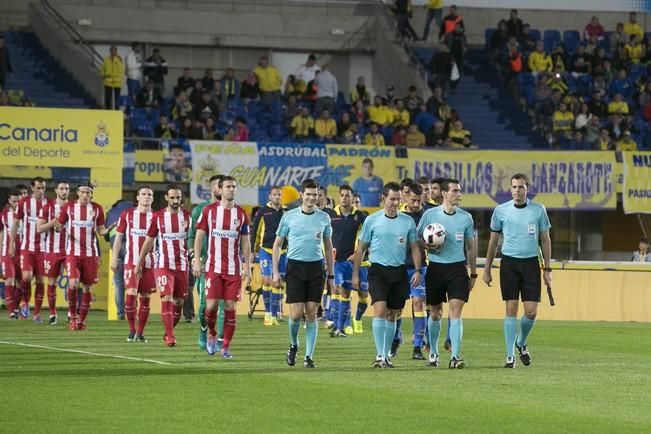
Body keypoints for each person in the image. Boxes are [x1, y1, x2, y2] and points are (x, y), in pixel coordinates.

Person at [483, 173, 552, 368]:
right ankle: (509, 356)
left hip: (531, 264)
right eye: (513, 187)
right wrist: (486, 269)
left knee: (531, 312)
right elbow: (493, 242)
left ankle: (520, 342)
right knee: (511, 308)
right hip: (509, 264)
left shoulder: (538, 210)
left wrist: (547, 269)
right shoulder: (501, 210)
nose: (516, 190)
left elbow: (545, 240)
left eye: (520, 187)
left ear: (527, 188)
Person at [352, 182, 421, 368]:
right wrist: (356, 274)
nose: (395, 203)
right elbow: (361, 249)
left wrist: (417, 270)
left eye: (398, 199)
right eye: (392, 199)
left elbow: (415, 248)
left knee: (393, 314)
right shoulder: (372, 220)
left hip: (398, 271)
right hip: (378, 271)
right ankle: (380, 355)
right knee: (380, 310)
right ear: (383, 199)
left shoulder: (407, 222)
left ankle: (387, 355)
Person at [272, 179, 334, 369]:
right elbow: (277, 244)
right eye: (308, 194)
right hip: (295, 268)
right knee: (296, 315)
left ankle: (308, 356)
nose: (311, 198)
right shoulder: (289, 216)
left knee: (312, 313)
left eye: (314, 194)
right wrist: (275, 272)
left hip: (316, 268)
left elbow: (329, 246)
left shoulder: (324, 217)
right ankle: (294, 344)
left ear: (318, 196)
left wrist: (330, 275)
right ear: (301, 195)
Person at [417, 179, 477, 369]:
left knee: (455, 312)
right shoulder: (429, 215)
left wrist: (473, 273)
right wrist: (428, 246)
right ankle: (433, 353)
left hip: (458, 268)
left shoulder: (466, 218)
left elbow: (471, 246)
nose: (459, 194)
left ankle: (455, 356)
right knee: (435, 313)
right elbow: (417, 239)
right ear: (444, 194)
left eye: (459, 191)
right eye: (454, 191)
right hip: (435, 268)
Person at [193, 176, 252, 359]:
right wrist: (196, 259)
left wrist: (247, 266)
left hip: (233, 269)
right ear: (220, 189)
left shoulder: (241, 214)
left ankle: (225, 346)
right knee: (210, 307)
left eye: (234, 186)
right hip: (213, 267)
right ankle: (212, 333)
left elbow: (246, 244)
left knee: (230, 307)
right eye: (228, 186)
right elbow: (199, 237)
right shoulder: (209, 211)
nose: (232, 190)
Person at [136, 184, 191, 347]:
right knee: (166, 297)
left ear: (182, 199)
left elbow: (194, 238)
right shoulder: (159, 217)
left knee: (179, 303)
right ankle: (171, 336)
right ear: (166, 198)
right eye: (172, 197)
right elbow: (149, 240)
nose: (175, 200)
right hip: (163, 265)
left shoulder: (188, 217)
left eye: (178, 198)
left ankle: (168, 331)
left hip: (182, 265)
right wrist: (139, 261)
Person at [55, 183, 111, 330]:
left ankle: (82, 320)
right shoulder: (68, 207)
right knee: (73, 283)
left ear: (91, 194)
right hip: (73, 253)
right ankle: (73, 317)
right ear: (78, 193)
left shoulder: (97, 209)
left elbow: (101, 231)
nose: (85, 195)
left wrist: (109, 230)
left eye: (88, 192)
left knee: (87, 287)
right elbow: (59, 226)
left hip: (90, 254)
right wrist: (57, 227)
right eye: (83, 192)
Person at [110, 186, 156, 343]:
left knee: (145, 297)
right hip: (131, 261)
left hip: (150, 263)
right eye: (143, 194)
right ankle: (131, 330)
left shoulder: (157, 217)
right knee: (130, 295)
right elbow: (118, 237)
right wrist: (114, 257)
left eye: (149, 194)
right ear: (137, 198)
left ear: (153, 198)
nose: (146, 197)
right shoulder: (127, 215)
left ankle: (140, 333)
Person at [390, 182, 428, 360]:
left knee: (419, 302)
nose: (416, 204)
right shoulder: (397, 215)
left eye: (419, 201)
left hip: (419, 268)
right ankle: (395, 337)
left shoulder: (427, 215)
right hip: (398, 267)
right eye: (413, 200)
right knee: (397, 308)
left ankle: (418, 347)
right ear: (405, 197)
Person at [188, 175, 225, 350]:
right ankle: (204, 331)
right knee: (205, 305)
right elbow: (191, 235)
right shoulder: (200, 210)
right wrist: (195, 258)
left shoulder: (233, 211)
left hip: (226, 265)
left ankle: (218, 340)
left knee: (225, 305)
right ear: (213, 189)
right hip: (205, 264)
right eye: (221, 186)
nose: (225, 189)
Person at [325, 185, 367, 338]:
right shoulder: (330, 215)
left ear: (352, 197)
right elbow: (324, 236)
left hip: (350, 262)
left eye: (347, 195)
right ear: (339, 197)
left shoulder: (360, 216)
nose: (344, 198)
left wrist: (357, 254)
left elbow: (366, 238)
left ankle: (341, 327)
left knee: (346, 292)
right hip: (335, 261)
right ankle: (336, 325)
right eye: (342, 195)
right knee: (336, 288)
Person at [9, 177, 49, 321]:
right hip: (27, 247)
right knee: (26, 276)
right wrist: (12, 244)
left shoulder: (48, 203)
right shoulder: (24, 203)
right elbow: (15, 224)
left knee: (40, 280)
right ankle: (25, 302)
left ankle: (37, 313)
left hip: (44, 249)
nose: (41, 190)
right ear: (32, 188)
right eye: (38, 187)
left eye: (43, 187)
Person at [251, 186, 287, 326]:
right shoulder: (263, 211)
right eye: (275, 194)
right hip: (266, 250)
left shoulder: (286, 212)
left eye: (279, 194)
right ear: (269, 196)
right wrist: (253, 251)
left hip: (283, 251)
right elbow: (255, 231)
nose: (277, 197)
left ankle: (274, 313)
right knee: (267, 280)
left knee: (278, 282)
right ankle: (267, 314)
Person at [36, 181, 70, 325]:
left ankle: (71, 313)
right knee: (51, 282)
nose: (64, 191)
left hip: (70, 250)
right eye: (61, 188)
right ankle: (52, 314)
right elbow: (39, 228)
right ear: (56, 190)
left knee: (73, 282)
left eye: (66, 189)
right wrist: (55, 221)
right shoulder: (48, 207)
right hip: (52, 251)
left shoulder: (74, 207)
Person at [0, 190, 22, 319]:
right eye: (14, 201)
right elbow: (2, 234)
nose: (16, 203)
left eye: (18, 201)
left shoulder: (27, 215)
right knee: (9, 280)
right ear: (9, 201)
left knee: (21, 284)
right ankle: (11, 312)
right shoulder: (3, 215)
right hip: (7, 253)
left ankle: (15, 308)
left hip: (23, 253)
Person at [101, 46, 123, 110]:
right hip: (108, 82)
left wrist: (109, 75)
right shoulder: (106, 59)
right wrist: (103, 75)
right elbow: (102, 68)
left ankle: (116, 111)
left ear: (116, 51)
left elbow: (120, 71)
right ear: (110, 51)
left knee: (117, 99)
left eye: (114, 51)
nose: (113, 52)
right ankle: (108, 111)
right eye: (111, 50)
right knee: (108, 98)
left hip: (117, 82)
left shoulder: (119, 60)